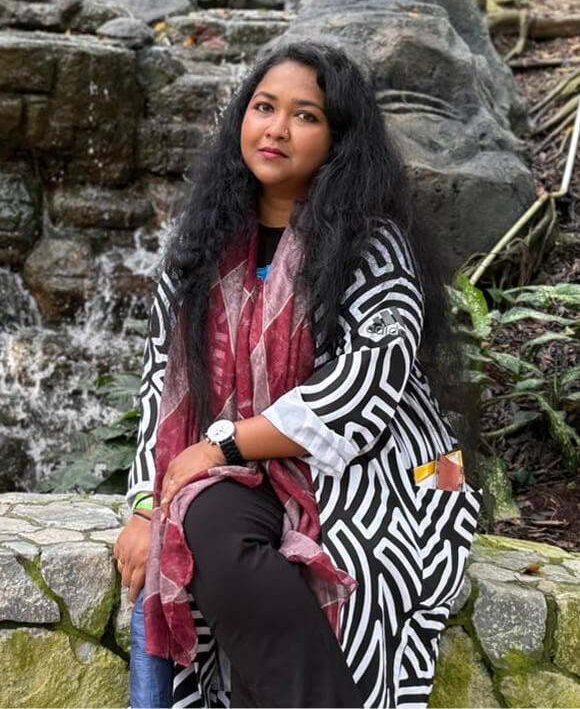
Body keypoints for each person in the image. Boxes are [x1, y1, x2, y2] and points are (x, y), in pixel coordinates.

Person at [114, 41, 482, 709]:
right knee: (203, 519)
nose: (277, 129)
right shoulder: (198, 245)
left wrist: (221, 445)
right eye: (264, 108)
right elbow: (160, 388)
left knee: (361, 558)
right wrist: (146, 506)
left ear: (339, 139)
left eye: (305, 115)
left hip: (388, 465)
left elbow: (365, 388)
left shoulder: (374, 246)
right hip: (245, 470)